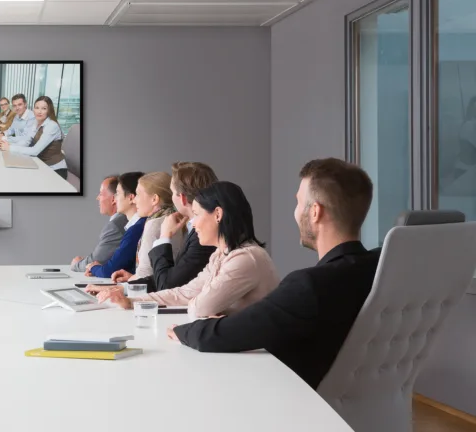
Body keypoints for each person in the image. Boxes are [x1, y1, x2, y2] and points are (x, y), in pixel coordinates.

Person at [170, 158, 380, 389]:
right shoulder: (378, 267)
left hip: (291, 402)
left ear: (315, 212)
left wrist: (182, 331)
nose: (295, 212)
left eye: (298, 203)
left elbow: (213, 336)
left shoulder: (308, 286)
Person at [90, 181, 279, 319]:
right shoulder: (221, 254)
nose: (193, 223)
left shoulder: (245, 259)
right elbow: (184, 293)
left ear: (218, 215)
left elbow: (200, 308)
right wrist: (130, 301)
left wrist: (205, 307)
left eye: (196, 215)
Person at [113, 162, 218, 291]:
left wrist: (164, 237)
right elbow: (173, 275)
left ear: (183, 198)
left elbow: (167, 285)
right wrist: (128, 284)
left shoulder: (203, 234)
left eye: (173, 192)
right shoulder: (191, 228)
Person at [108, 172, 184, 280]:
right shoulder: (171, 218)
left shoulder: (154, 224)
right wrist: (131, 277)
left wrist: (121, 287)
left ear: (154, 199)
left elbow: (144, 275)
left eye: (138, 194)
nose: (134, 200)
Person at [84, 172, 147, 279]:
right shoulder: (136, 226)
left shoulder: (136, 228)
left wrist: (93, 267)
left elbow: (109, 270)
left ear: (131, 198)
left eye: (117, 193)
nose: (115, 199)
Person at [0, 96, 68, 179]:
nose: (39, 111)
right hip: (41, 164)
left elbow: (35, 151)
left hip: (55, 169)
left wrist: (10, 147)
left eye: (44, 108)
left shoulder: (52, 126)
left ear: (49, 110)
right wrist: (8, 144)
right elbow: (26, 141)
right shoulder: (36, 122)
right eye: (37, 108)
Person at [70, 175, 128, 272]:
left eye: (101, 194)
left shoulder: (115, 226)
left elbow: (97, 259)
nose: (97, 198)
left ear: (114, 199)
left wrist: (76, 264)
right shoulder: (121, 221)